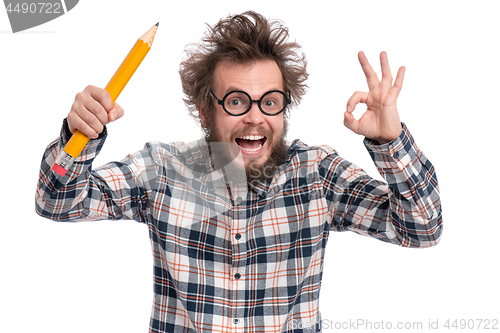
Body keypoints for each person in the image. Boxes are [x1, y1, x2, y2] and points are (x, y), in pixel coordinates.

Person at [35, 11, 442, 333]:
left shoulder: (317, 173)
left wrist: (390, 142)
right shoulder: (162, 169)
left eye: (270, 102)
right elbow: (57, 202)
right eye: (235, 101)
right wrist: (79, 135)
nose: (254, 118)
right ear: (205, 109)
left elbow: (422, 228)